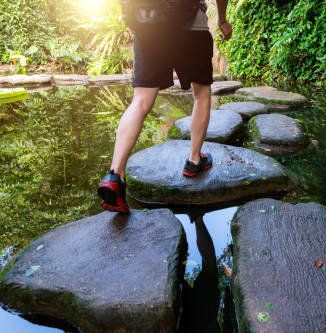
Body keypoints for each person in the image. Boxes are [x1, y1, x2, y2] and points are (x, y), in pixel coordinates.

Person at [98, 0, 232, 213]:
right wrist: (222, 20)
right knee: (202, 94)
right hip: (191, 27)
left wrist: (130, 18)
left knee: (140, 100)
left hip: (149, 26)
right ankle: (194, 160)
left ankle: (115, 175)